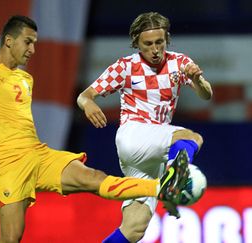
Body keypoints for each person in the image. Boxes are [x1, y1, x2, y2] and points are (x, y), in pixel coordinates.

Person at [0, 15, 189, 243]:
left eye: (35, 42)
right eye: (28, 42)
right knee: (11, 238)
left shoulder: (25, 78)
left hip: (38, 154)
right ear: (9, 41)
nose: (33, 49)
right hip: (7, 165)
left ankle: (161, 187)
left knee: (94, 178)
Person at [77, 12, 213, 243]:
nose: (155, 49)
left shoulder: (179, 63)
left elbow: (206, 94)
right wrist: (88, 103)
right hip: (134, 136)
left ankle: (169, 183)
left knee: (134, 228)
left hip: (152, 152)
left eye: (159, 42)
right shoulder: (126, 67)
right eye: (147, 44)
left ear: (166, 39)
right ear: (136, 44)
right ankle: (172, 186)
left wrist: (198, 80)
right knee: (192, 137)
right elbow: (85, 95)